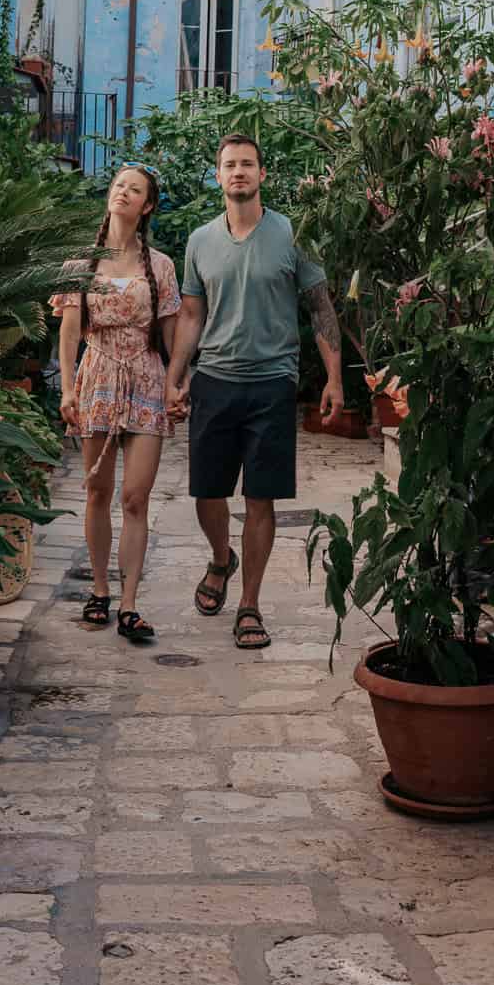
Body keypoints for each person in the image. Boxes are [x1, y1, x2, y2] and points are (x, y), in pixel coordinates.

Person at [165, 133, 343, 650]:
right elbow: (191, 314)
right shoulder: (199, 241)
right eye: (229, 165)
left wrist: (334, 379)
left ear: (263, 174)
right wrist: (176, 377)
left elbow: (320, 307)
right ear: (218, 177)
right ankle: (221, 558)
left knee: (261, 498)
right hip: (215, 380)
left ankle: (250, 604)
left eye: (247, 164)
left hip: (273, 381)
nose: (238, 171)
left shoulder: (293, 233)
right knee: (207, 493)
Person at [52, 164, 181, 644]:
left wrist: (176, 383)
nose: (123, 193)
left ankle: (129, 605)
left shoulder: (162, 266)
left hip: (146, 379)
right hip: (97, 377)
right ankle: (100, 590)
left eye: (135, 190)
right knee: (97, 492)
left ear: (147, 205)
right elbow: (68, 333)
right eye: (118, 186)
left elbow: (170, 332)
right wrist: (67, 389)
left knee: (135, 498)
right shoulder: (80, 262)